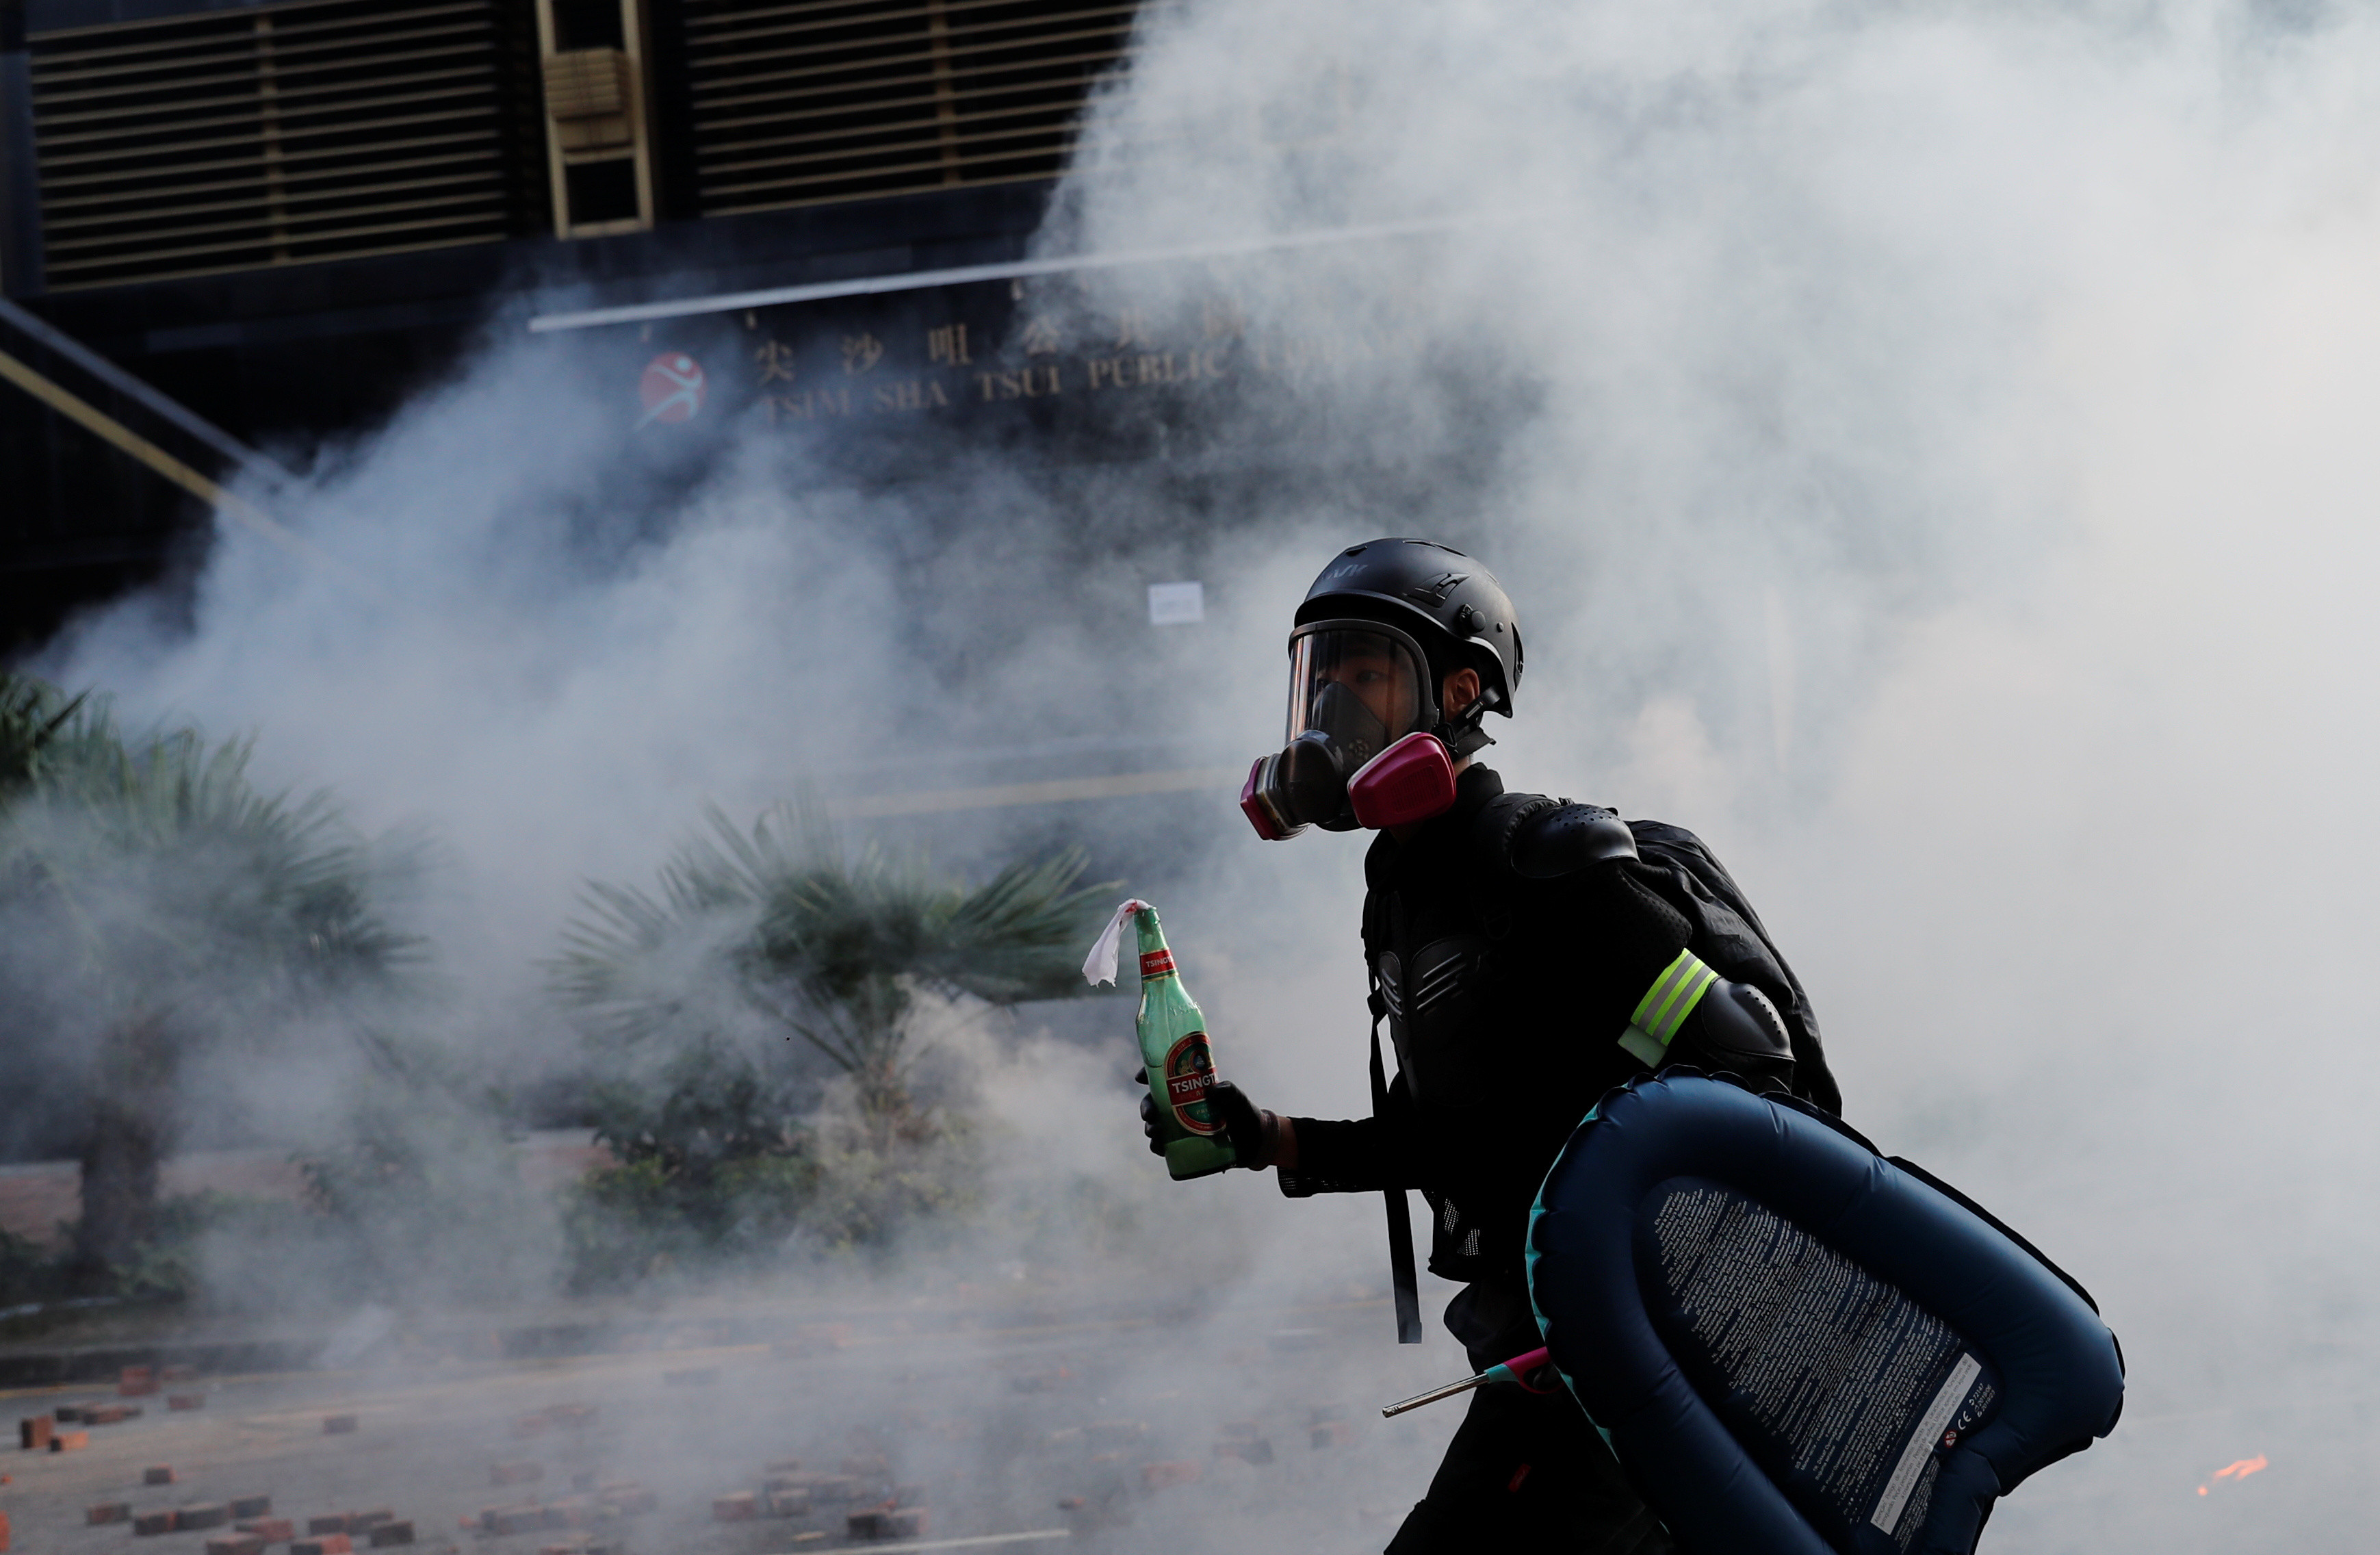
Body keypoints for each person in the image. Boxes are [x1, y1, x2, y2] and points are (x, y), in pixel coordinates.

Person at [1141, 537, 1841, 1554]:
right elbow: (1459, 1136)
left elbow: (1748, 1068)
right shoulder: (1403, 895)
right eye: (1318, 672)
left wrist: (1621, 1287)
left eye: (1367, 671)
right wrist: (1271, 1137)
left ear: (1460, 689)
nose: (1331, 703)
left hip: (1631, 1357)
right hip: (1545, 1344)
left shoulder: (1551, 865)